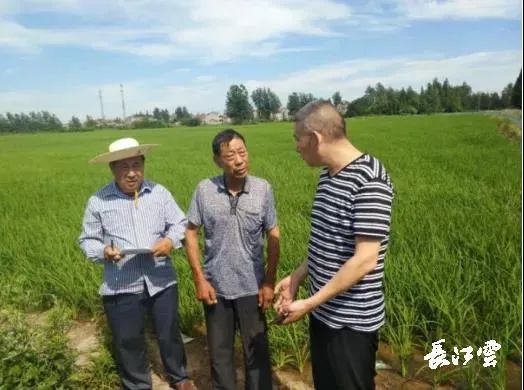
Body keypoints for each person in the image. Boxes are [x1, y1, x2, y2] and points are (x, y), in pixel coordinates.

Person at [274, 101, 394, 390]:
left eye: (297, 139)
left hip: (351, 324)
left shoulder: (370, 180)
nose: (296, 147)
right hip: (323, 313)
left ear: (315, 138)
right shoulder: (328, 176)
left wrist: (310, 302)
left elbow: (364, 260)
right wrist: (297, 278)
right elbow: (326, 243)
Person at [79, 137, 195, 390]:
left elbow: (180, 223)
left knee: (169, 333)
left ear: (143, 165)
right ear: (112, 168)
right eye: (123, 166)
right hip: (122, 283)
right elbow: (87, 240)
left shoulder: (159, 193)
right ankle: (138, 385)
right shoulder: (98, 201)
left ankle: (179, 377)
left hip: (161, 279)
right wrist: (104, 251)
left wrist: (169, 241)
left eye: (136, 165)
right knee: (128, 339)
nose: (131, 173)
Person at [185, 129, 280, 390]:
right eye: (230, 155)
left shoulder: (262, 189)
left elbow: (273, 233)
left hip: (253, 288)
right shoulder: (205, 190)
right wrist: (199, 279)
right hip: (216, 289)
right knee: (220, 355)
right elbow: (190, 232)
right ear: (218, 160)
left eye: (242, 152)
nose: (239, 160)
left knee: (256, 355)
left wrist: (269, 281)